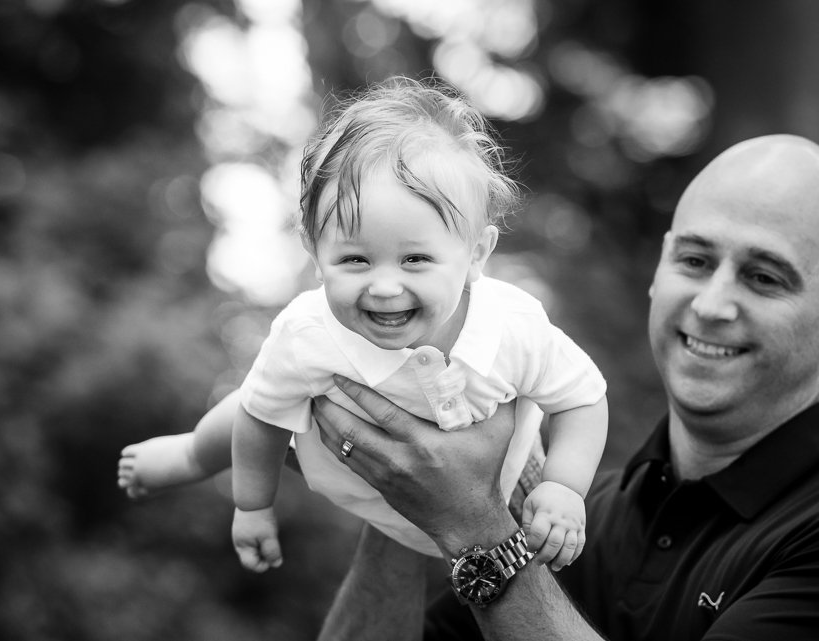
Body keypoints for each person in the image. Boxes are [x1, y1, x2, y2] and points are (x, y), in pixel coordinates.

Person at [310, 133, 819, 640]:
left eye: (764, 278)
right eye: (695, 261)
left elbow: (471, 521)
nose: (710, 305)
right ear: (660, 269)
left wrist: (474, 525)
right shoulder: (577, 509)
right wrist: (405, 479)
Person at [118, 78, 609, 575]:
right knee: (255, 404)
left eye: (416, 259)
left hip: (502, 484)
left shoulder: (512, 326)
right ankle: (190, 456)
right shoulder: (308, 332)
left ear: (476, 254)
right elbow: (260, 418)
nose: (385, 288)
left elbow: (582, 398)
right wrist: (252, 507)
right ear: (315, 254)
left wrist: (564, 487)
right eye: (355, 259)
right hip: (353, 472)